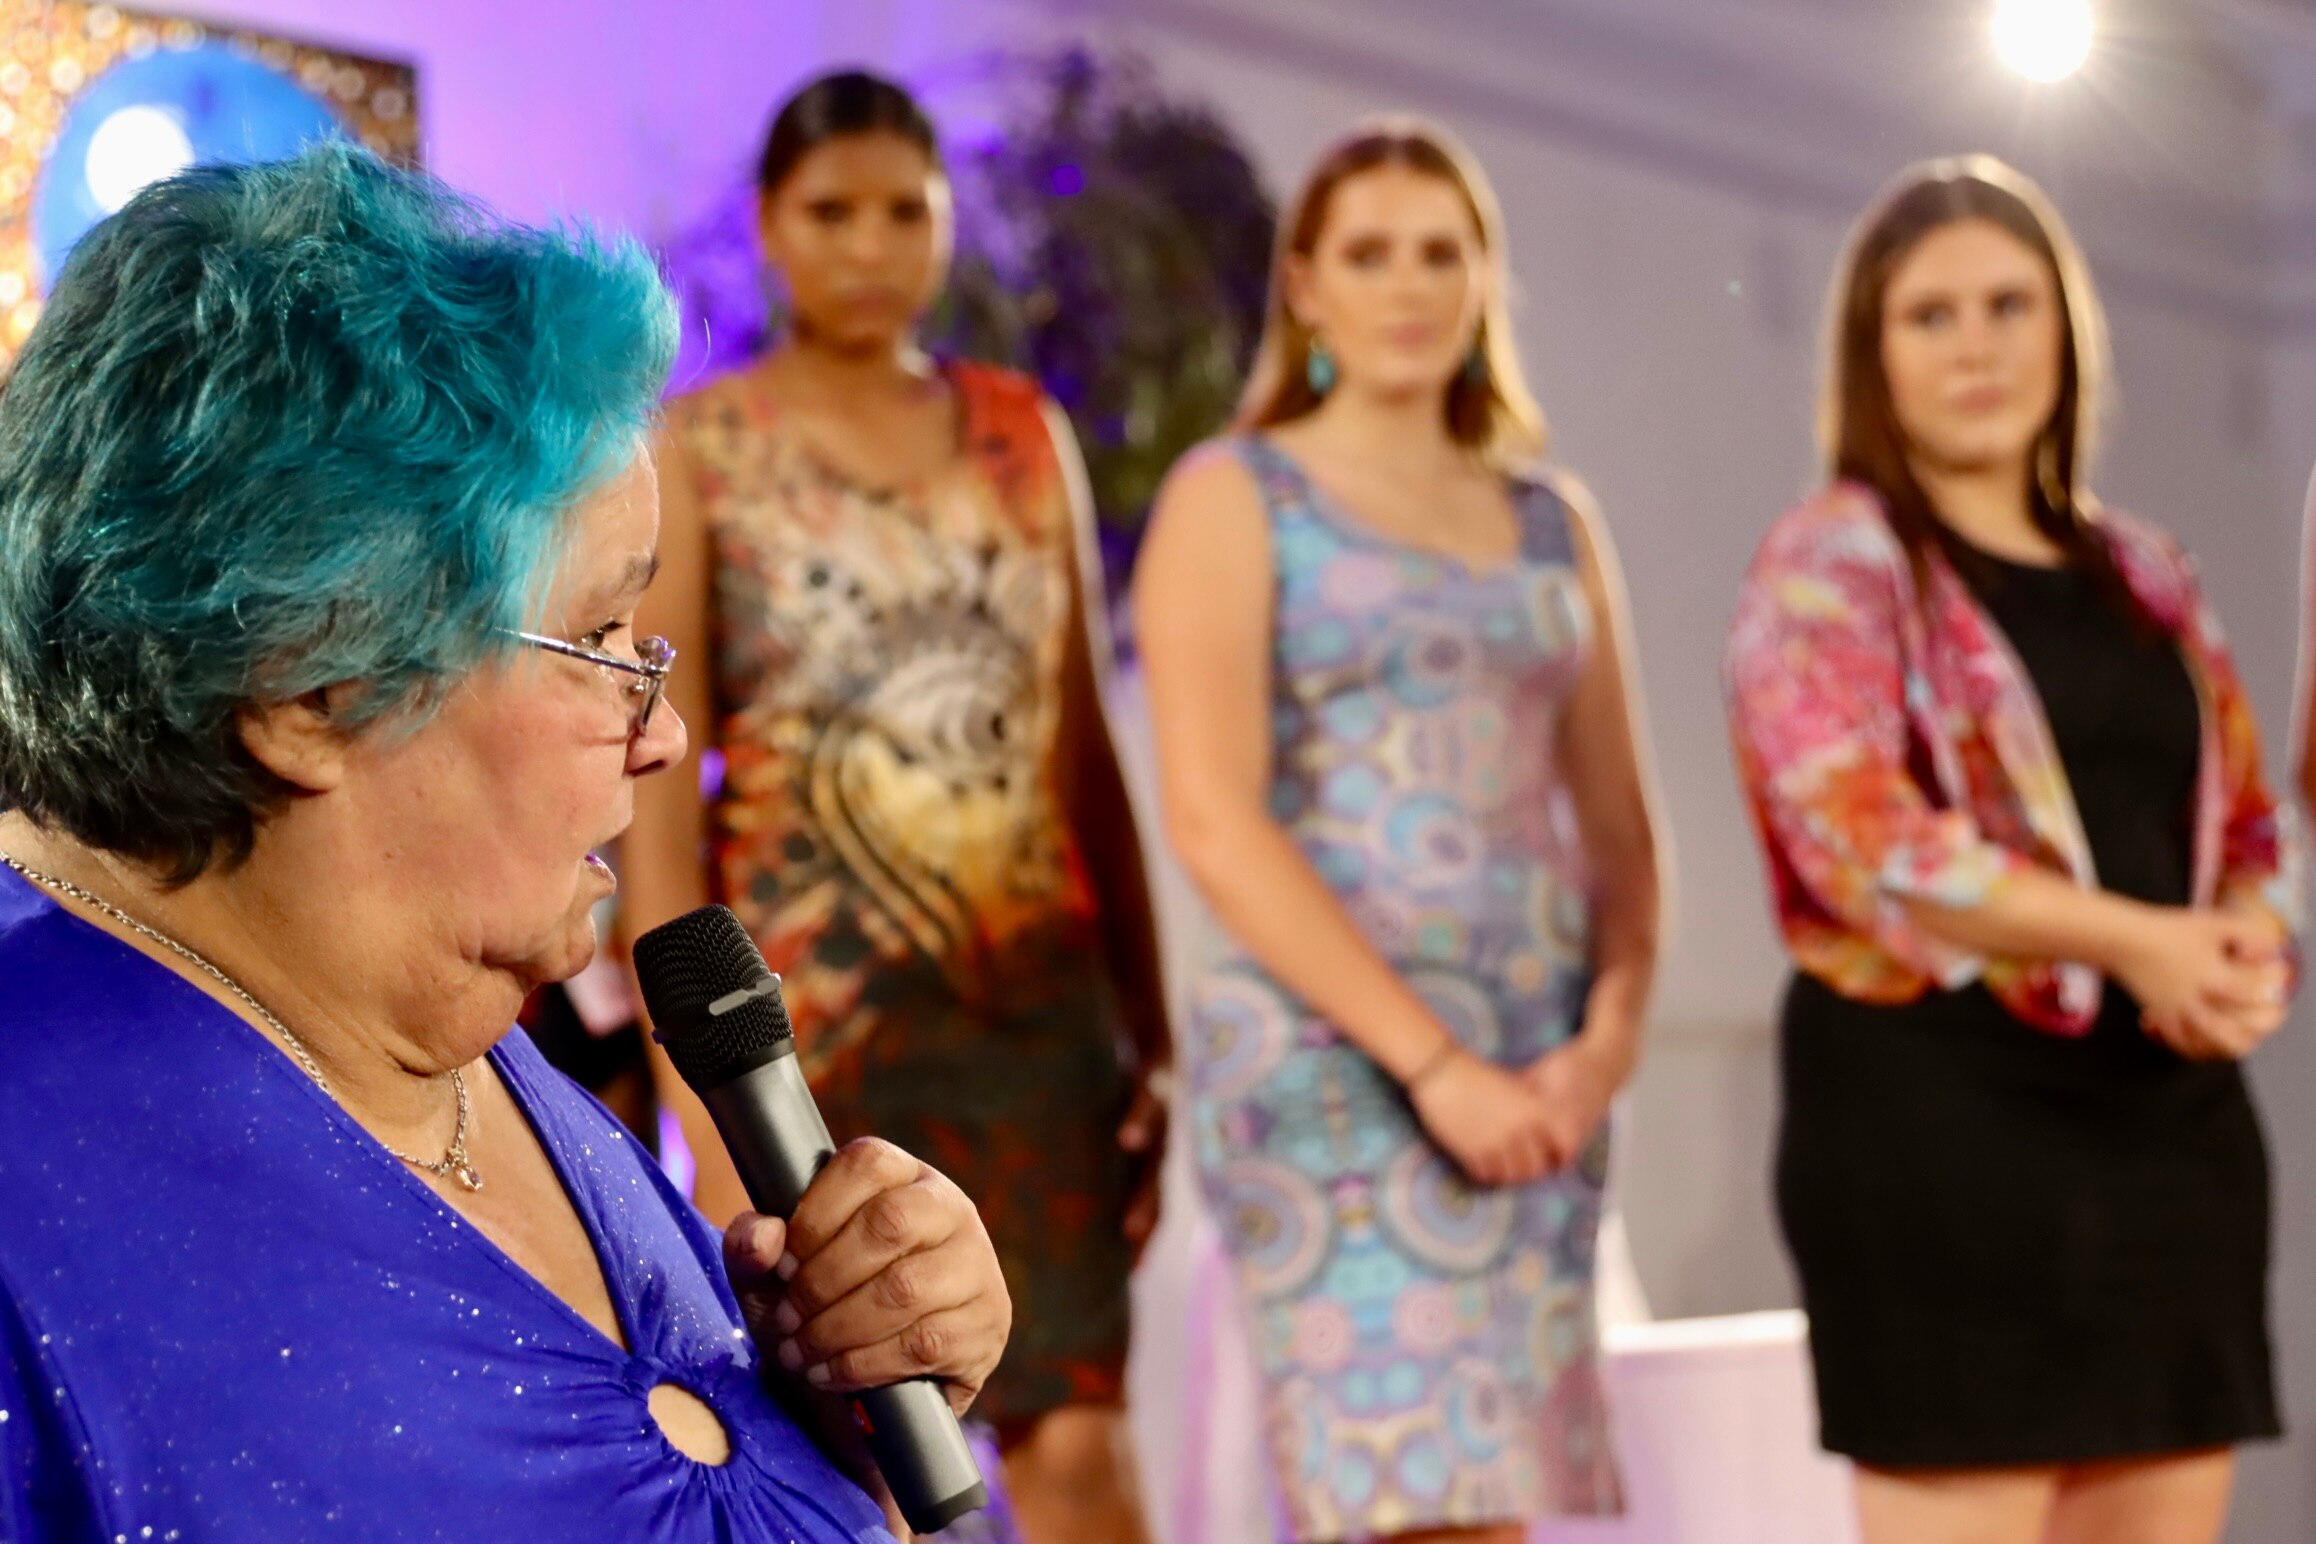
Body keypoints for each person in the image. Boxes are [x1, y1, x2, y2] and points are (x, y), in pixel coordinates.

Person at [0, 144, 1011, 1543]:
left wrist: (850, 1412)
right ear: (315, 686)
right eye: (598, 639)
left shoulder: (445, 1037)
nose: (661, 736)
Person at [617, 71, 1167, 1543]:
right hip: (815, 1051)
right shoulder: (701, 449)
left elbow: (1084, 756)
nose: (870, 244)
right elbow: (658, 795)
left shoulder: (1018, 431)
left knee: (1079, 1442)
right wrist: (701, 1109)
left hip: (1037, 1020)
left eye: (904, 211)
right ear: (770, 229)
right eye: (831, 212)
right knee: (876, 1467)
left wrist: (1151, 1031)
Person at [1723, 156, 2297, 1544]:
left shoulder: (2148, 570)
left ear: (2067, 331)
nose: (1976, 344)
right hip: (1940, 1132)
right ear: (1874, 352)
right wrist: (2142, 943)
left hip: (2170, 1133)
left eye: (2008, 304)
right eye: (1931, 317)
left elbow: (2245, 817)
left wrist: (2246, 951)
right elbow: (1869, 840)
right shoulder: (1828, 563)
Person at [1132, 116, 1664, 1543]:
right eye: (1370, 253)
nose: (1410, 285)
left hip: (1534, 1081)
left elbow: (1622, 832)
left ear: (1487, 279)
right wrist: (1433, 1068)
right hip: (1337, 1072)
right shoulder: (1237, 495)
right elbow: (1212, 821)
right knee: (1411, 1509)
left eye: (1444, 252)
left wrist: (1597, 1053)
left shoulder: (1556, 522)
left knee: (1507, 1507)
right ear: (1305, 283)